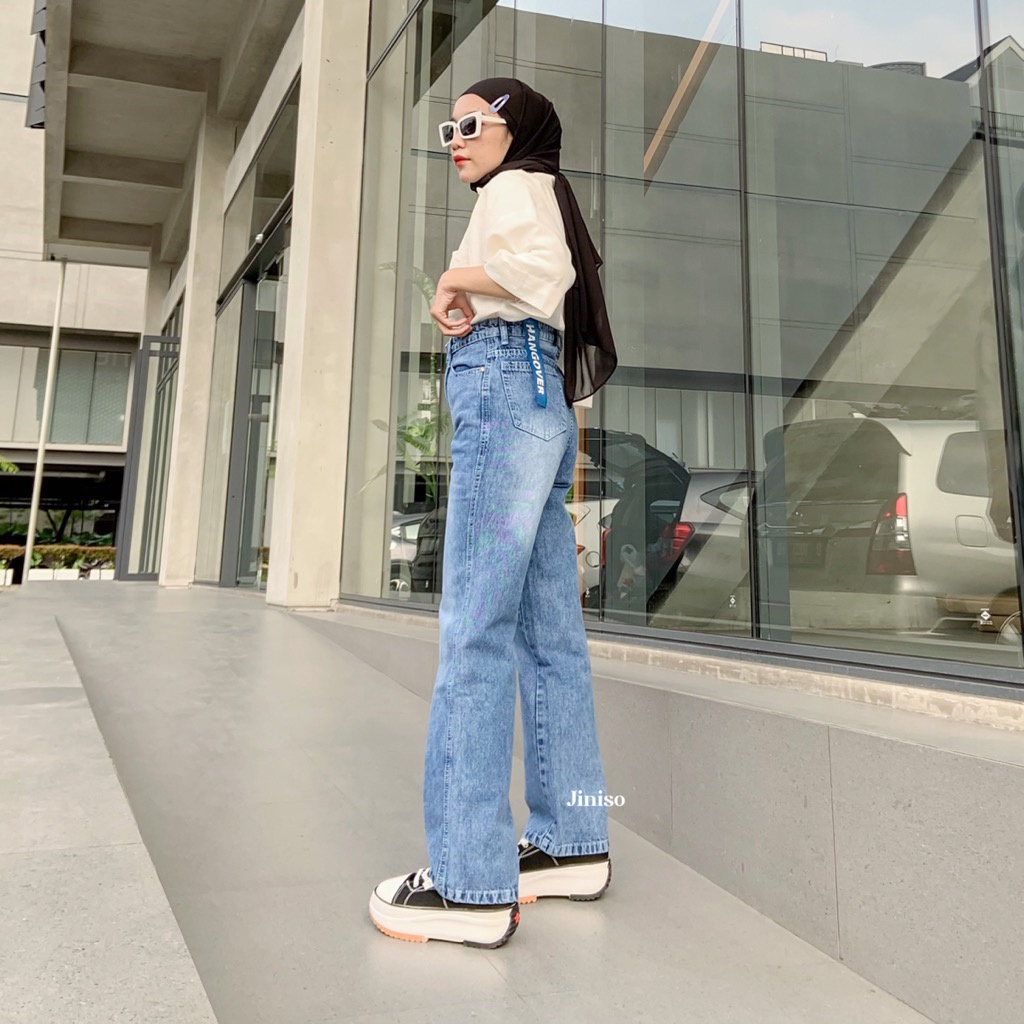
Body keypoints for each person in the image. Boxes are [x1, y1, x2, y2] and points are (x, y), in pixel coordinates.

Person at [369, 78, 618, 949]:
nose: (456, 140)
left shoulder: (515, 187)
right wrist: (466, 293)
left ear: (518, 129)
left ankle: (470, 884)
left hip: (506, 388)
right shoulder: (536, 188)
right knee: (550, 636)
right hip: (537, 394)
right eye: (448, 128)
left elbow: (540, 274)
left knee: (475, 630)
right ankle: (570, 842)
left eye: (472, 124)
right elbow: (543, 285)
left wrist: (451, 278)